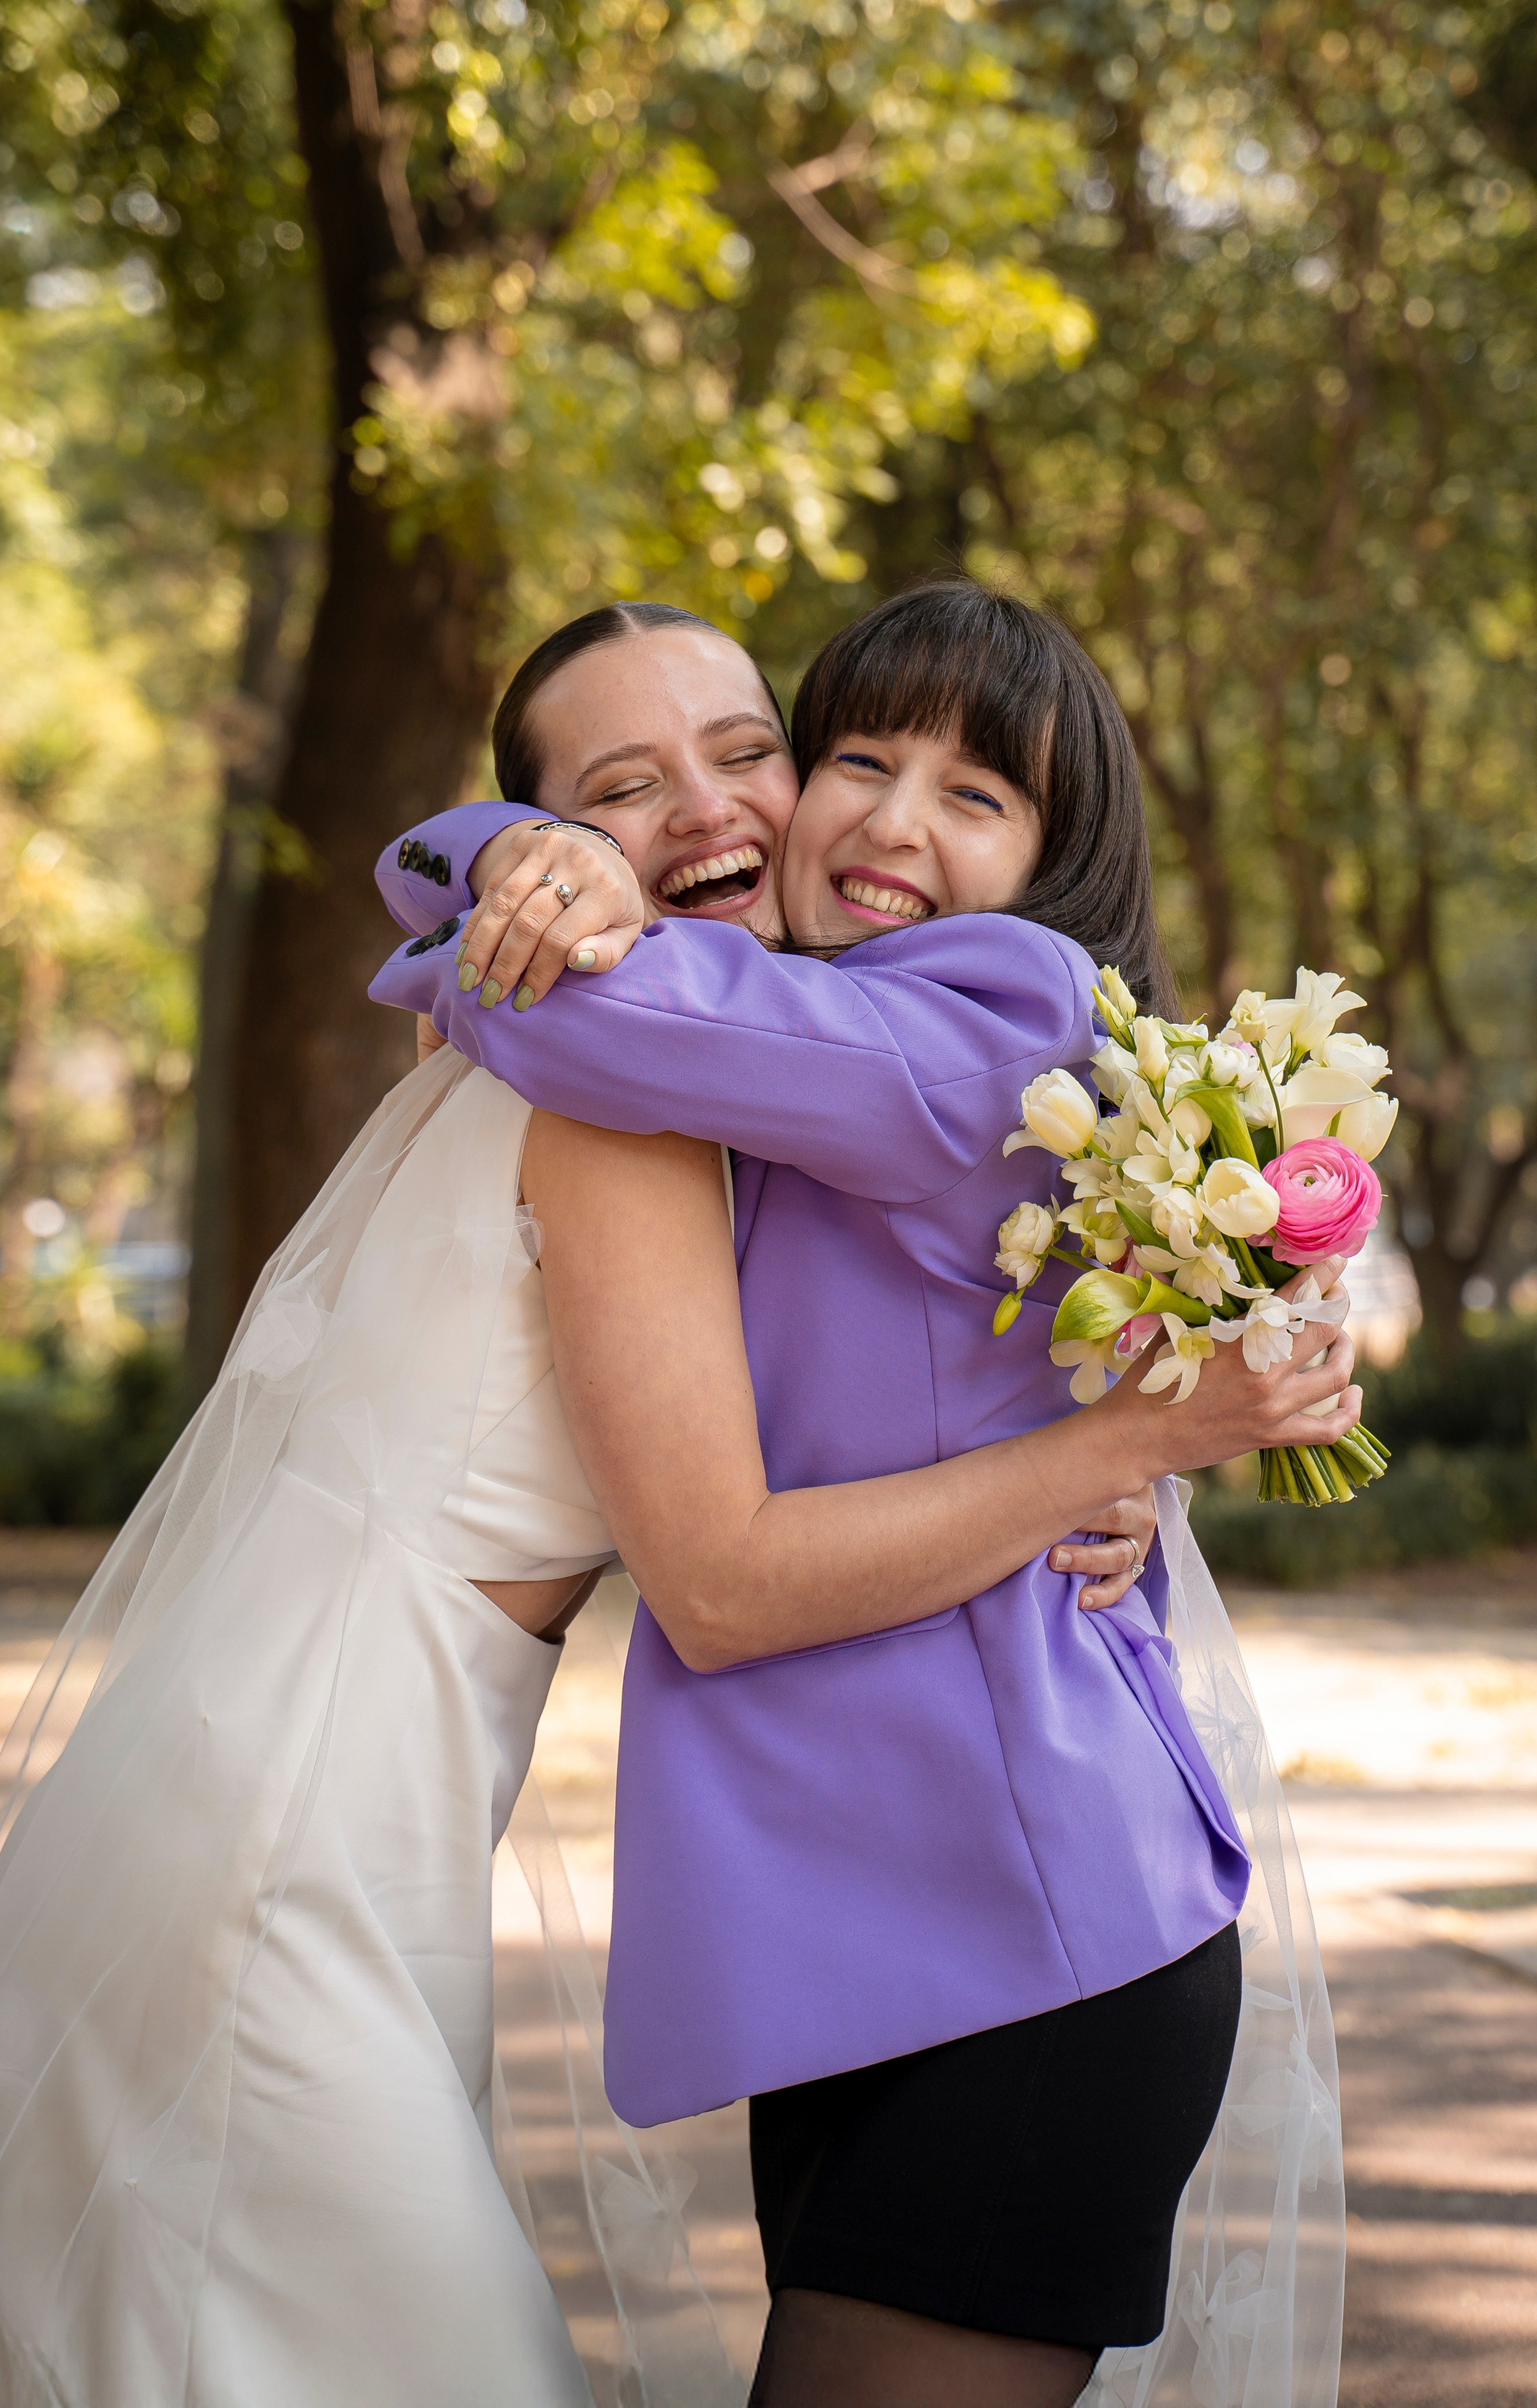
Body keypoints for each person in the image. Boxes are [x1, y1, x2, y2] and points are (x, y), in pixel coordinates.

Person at [0, 608, 1332, 2407]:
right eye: (851, 760)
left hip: (973, 1918)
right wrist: (498, 863)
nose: (748, 813)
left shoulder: (895, 1027)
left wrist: (1123, 1457)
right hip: (379, 1827)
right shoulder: (650, 1078)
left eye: (742, 754)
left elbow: (767, 1502)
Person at [373, 581, 1353, 2408]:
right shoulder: (799, 1070)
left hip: (1033, 1938)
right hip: (875, 1938)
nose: (896, 822)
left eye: (976, 797)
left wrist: (512, 870)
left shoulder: (1002, 1004)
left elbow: (586, 1023)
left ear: (1053, 865)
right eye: (855, 760)